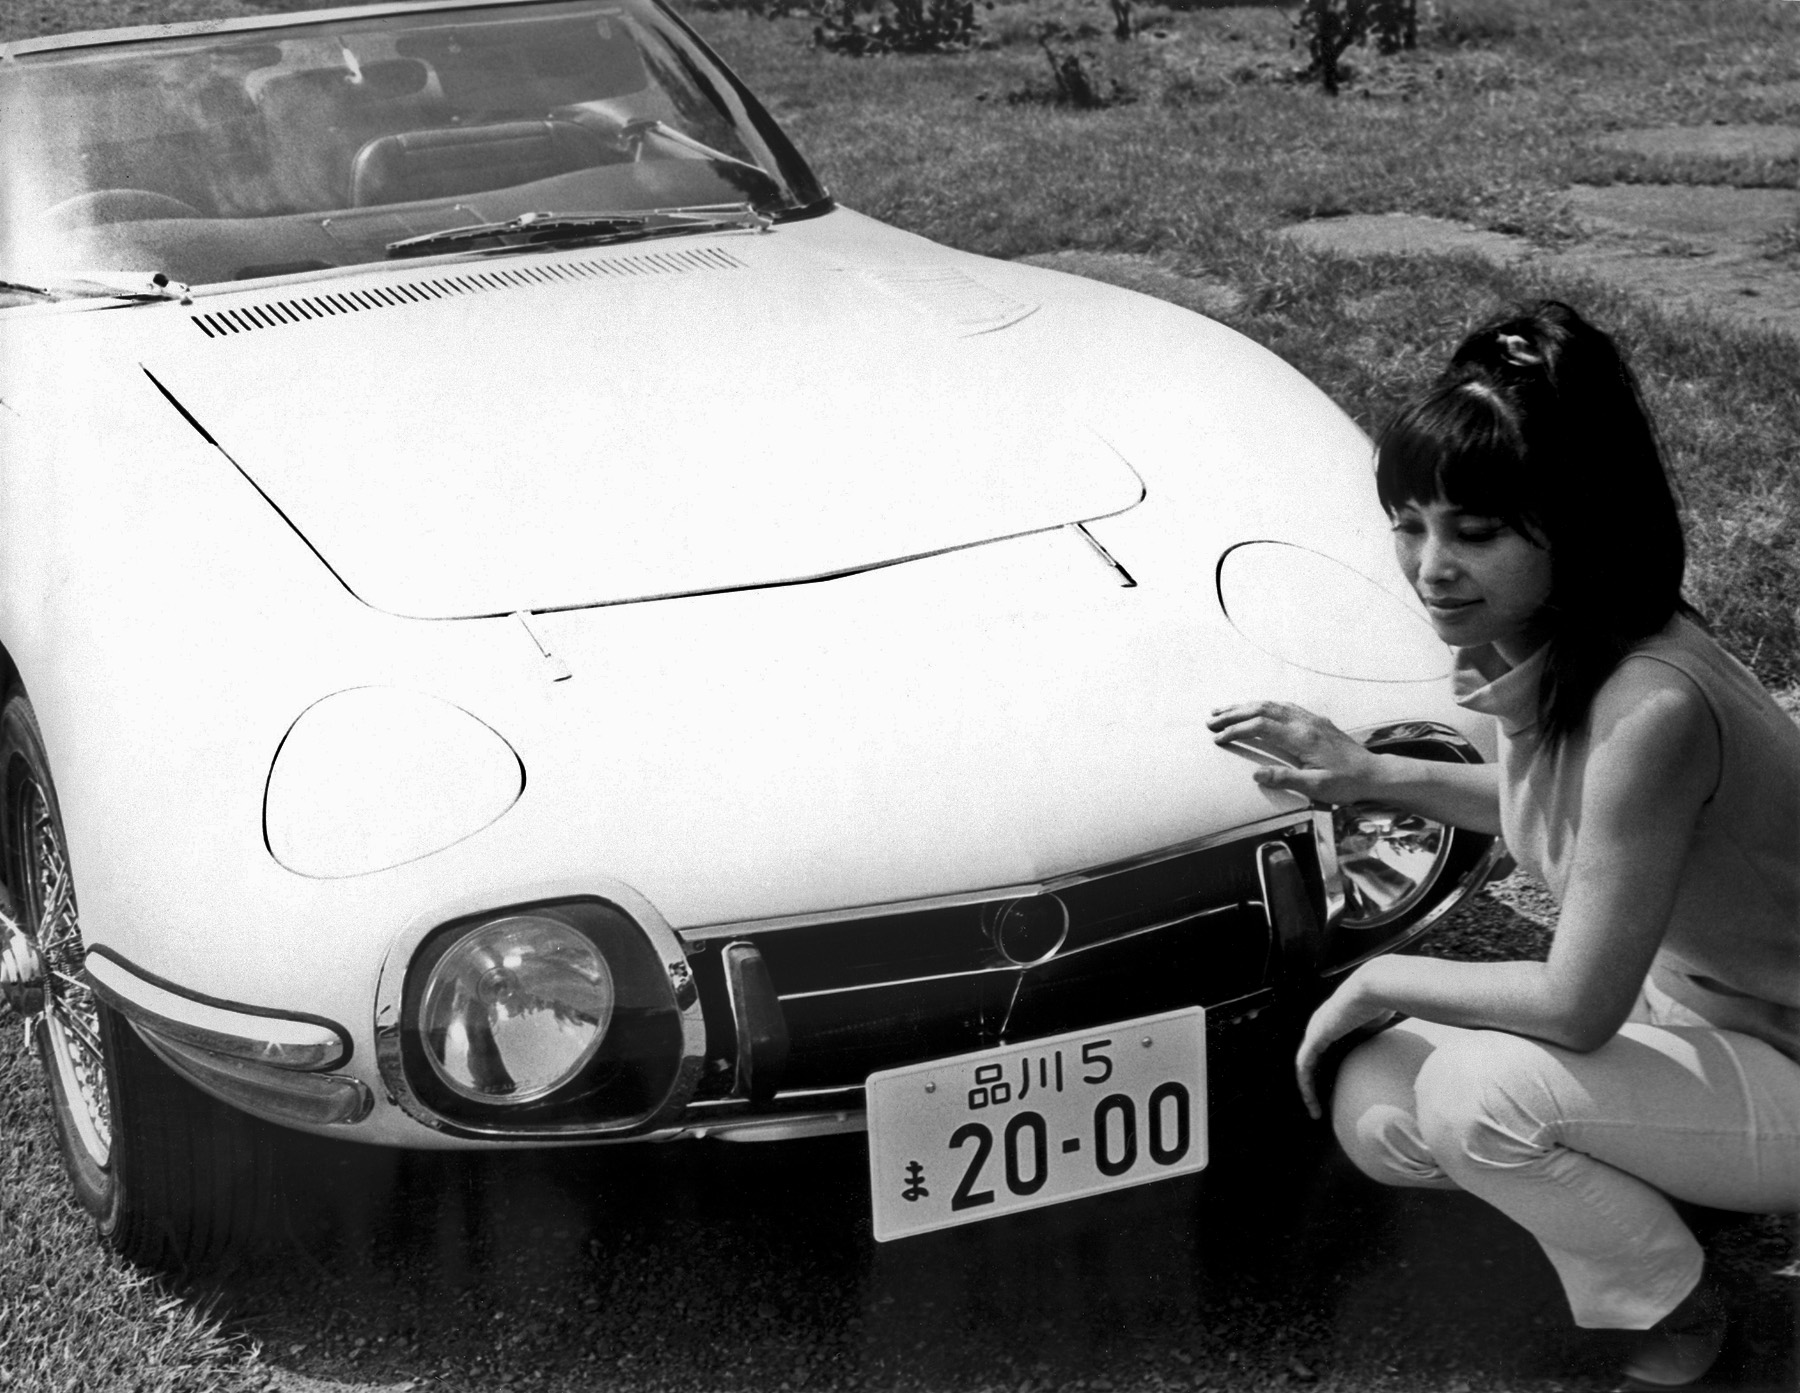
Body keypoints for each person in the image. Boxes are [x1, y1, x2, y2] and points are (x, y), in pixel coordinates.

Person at [1205, 301, 1800, 1389]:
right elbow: (1571, 816)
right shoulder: (1563, 641)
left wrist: (1377, 974)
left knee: (1479, 1097)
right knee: (1380, 1099)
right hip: (1709, 1018)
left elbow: (1577, 1007)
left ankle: (1681, 1316)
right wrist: (1371, 773)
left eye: (1475, 533)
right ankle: (1661, 1193)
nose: (1431, 566)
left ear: (1575, 526)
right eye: (1409, 523)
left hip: (1785, 1056)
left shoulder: (1654, 702)